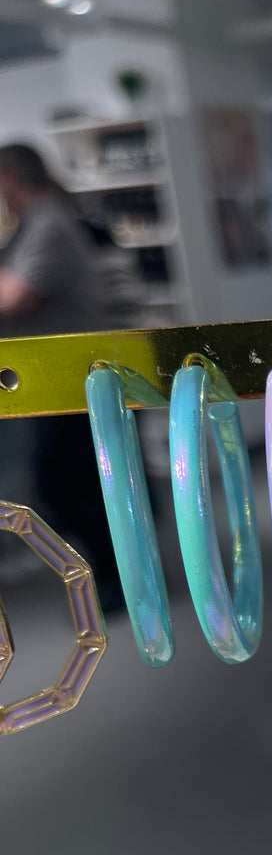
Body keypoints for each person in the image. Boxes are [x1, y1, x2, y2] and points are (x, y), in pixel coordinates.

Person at [0, 143, 120, 607]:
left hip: (73, 377)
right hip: (58, 377)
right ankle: (110, 574)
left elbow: (16, 297)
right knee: (71, 479)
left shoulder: (49, 223)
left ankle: (115, 577)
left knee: (64, 481)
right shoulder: (31, 224)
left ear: (12, 178)